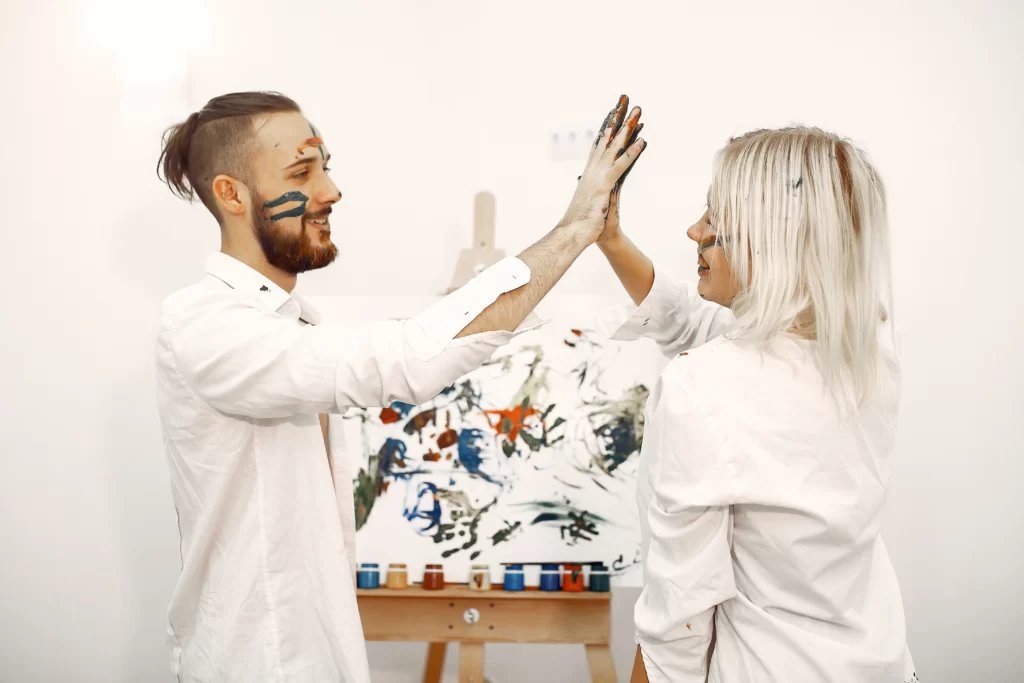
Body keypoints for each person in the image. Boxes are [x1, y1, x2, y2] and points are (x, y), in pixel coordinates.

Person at [153, 91, 646, 683]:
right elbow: (404, 358)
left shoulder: (289, 322)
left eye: (325, 166)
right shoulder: (208, 326)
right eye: (302, 172)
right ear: (231, 194)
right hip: (255, 661)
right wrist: (573, 230)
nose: (331, 191)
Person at [596, 127, 918, 682]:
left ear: (773, 238)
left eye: (714, 220)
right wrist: (610, 239)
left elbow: (678, 619)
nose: (694, 230)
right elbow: (698, 323)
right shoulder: (870, 341)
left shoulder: (705, 386)